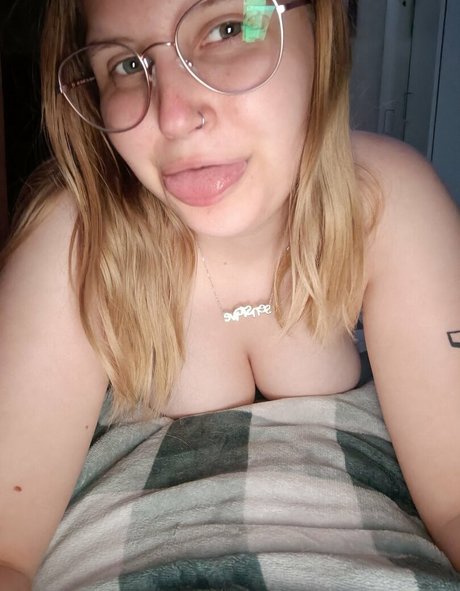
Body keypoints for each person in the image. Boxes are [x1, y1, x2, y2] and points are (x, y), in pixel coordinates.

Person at [0, 0, 459, 587]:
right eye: (127, 65)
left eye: (227, 29)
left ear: (320, 32)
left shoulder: (383, 201)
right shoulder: (79, 242)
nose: (172, 116)